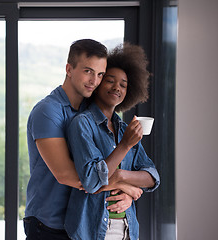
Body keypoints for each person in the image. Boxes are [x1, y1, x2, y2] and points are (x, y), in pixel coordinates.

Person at [64, 43, 160, 240]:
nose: (117, 87)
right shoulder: (82, 124)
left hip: (127, 229)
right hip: (91, 230)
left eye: (123, 85)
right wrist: (125, 146)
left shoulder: (125, 130)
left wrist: (123, 179)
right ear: (98, 84)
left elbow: (152, 177)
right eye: (110, 80)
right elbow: (91, 181)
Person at [23, 39, 108, 239]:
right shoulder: (47, 111)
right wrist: (123, 182)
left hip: (83, 223)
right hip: (48, 226)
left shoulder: (92, 111)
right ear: (69, 69)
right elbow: (66, 175)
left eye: (100, 74)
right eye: (88, 71)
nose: (94, 81)